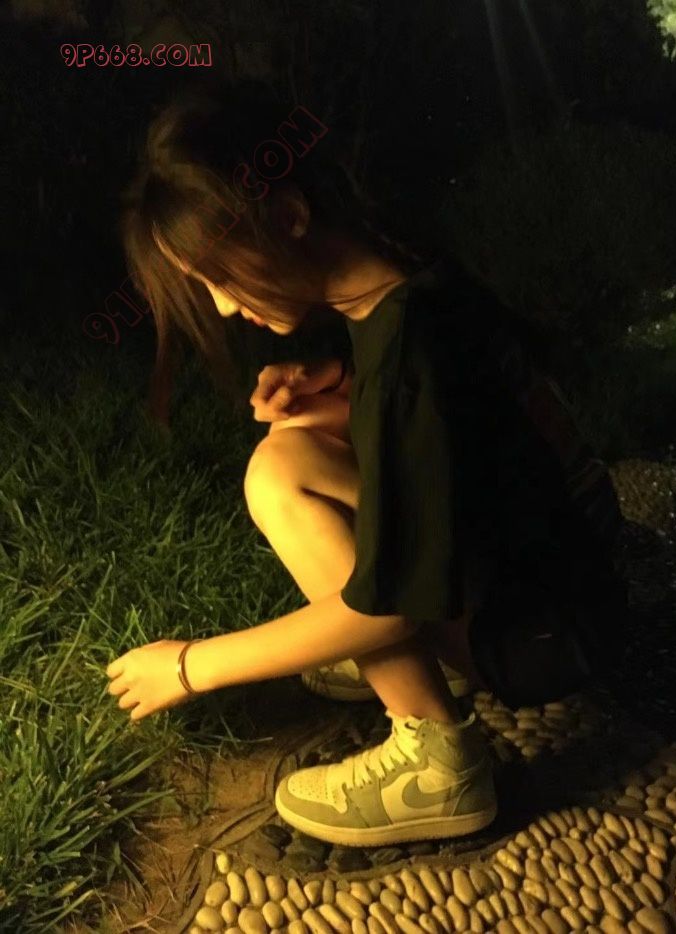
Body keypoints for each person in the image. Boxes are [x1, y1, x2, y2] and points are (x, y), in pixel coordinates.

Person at [105, 77, 629, 847]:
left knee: (278, 476)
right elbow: (466, 439)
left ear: (289, 216)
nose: (223, 306)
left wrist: (189, 666)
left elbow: (390, 608)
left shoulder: (407, 353)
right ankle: (406, 666)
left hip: (542, 637)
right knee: (299, 444)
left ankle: (438, 762)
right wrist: (344, 393)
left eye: (219, 275)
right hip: (578, 574)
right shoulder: (413, 283)